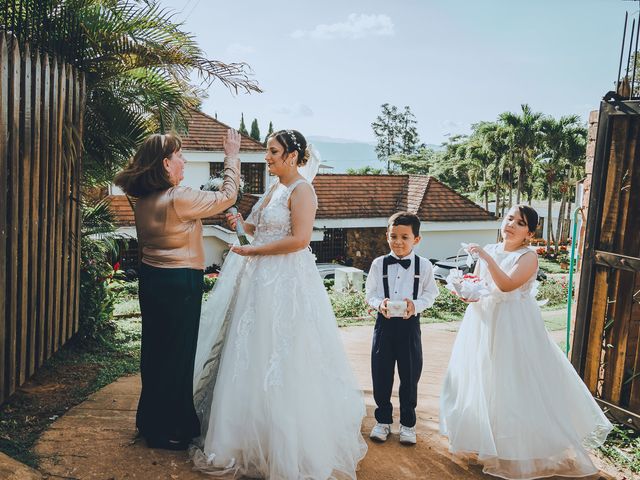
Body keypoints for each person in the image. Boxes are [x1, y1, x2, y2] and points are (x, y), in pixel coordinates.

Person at [190, 130, 367, 479]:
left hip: (286, 282)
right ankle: (241, 438)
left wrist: (252, 250)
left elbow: (300, 240)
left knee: (283, 353)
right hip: (258, 282)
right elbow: (252, 231)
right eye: (267, 152)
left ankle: (285, 445)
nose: (267, 158)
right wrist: (239, 225)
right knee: (250, 352)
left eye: (272, 152)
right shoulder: (274, 189)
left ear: (292, 155)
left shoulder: (303, 190)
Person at [440, 205, 613, 479]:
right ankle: (488, 438)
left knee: (514, 379)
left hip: (513, 323)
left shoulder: (528, 256)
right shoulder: (491, 250)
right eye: (509, 218)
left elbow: (507, 285)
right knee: (484, 375)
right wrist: (468, 290)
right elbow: (482, 284)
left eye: (519, 223)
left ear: (529, 233)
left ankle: (521, 445)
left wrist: (485, 256)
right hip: (483, 319)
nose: (511, 225)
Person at [113, 130, 241, 450]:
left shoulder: (144, 199)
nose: (184, 162)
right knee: (179, 355)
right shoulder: (178, 198)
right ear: (167, 164)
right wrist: (231, 156)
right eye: (180, 157)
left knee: (155, 353)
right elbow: (228, 196)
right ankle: (172, 428)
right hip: (181, 281)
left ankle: (150, 421)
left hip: (152, 280)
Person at [365, 212, 439, 445]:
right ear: (387, 236)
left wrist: (414, 305)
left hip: (409, 327)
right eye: (393, 236)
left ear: (416, 239)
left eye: (404, 237)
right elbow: (371, 293)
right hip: (383, 326)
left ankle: (408, 424)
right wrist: (380, 304)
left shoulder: (424, 266)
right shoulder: (379, 264)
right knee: (381, 374)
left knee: (409, 376)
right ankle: (383, 421)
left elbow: (431, 294)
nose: (398, 241)